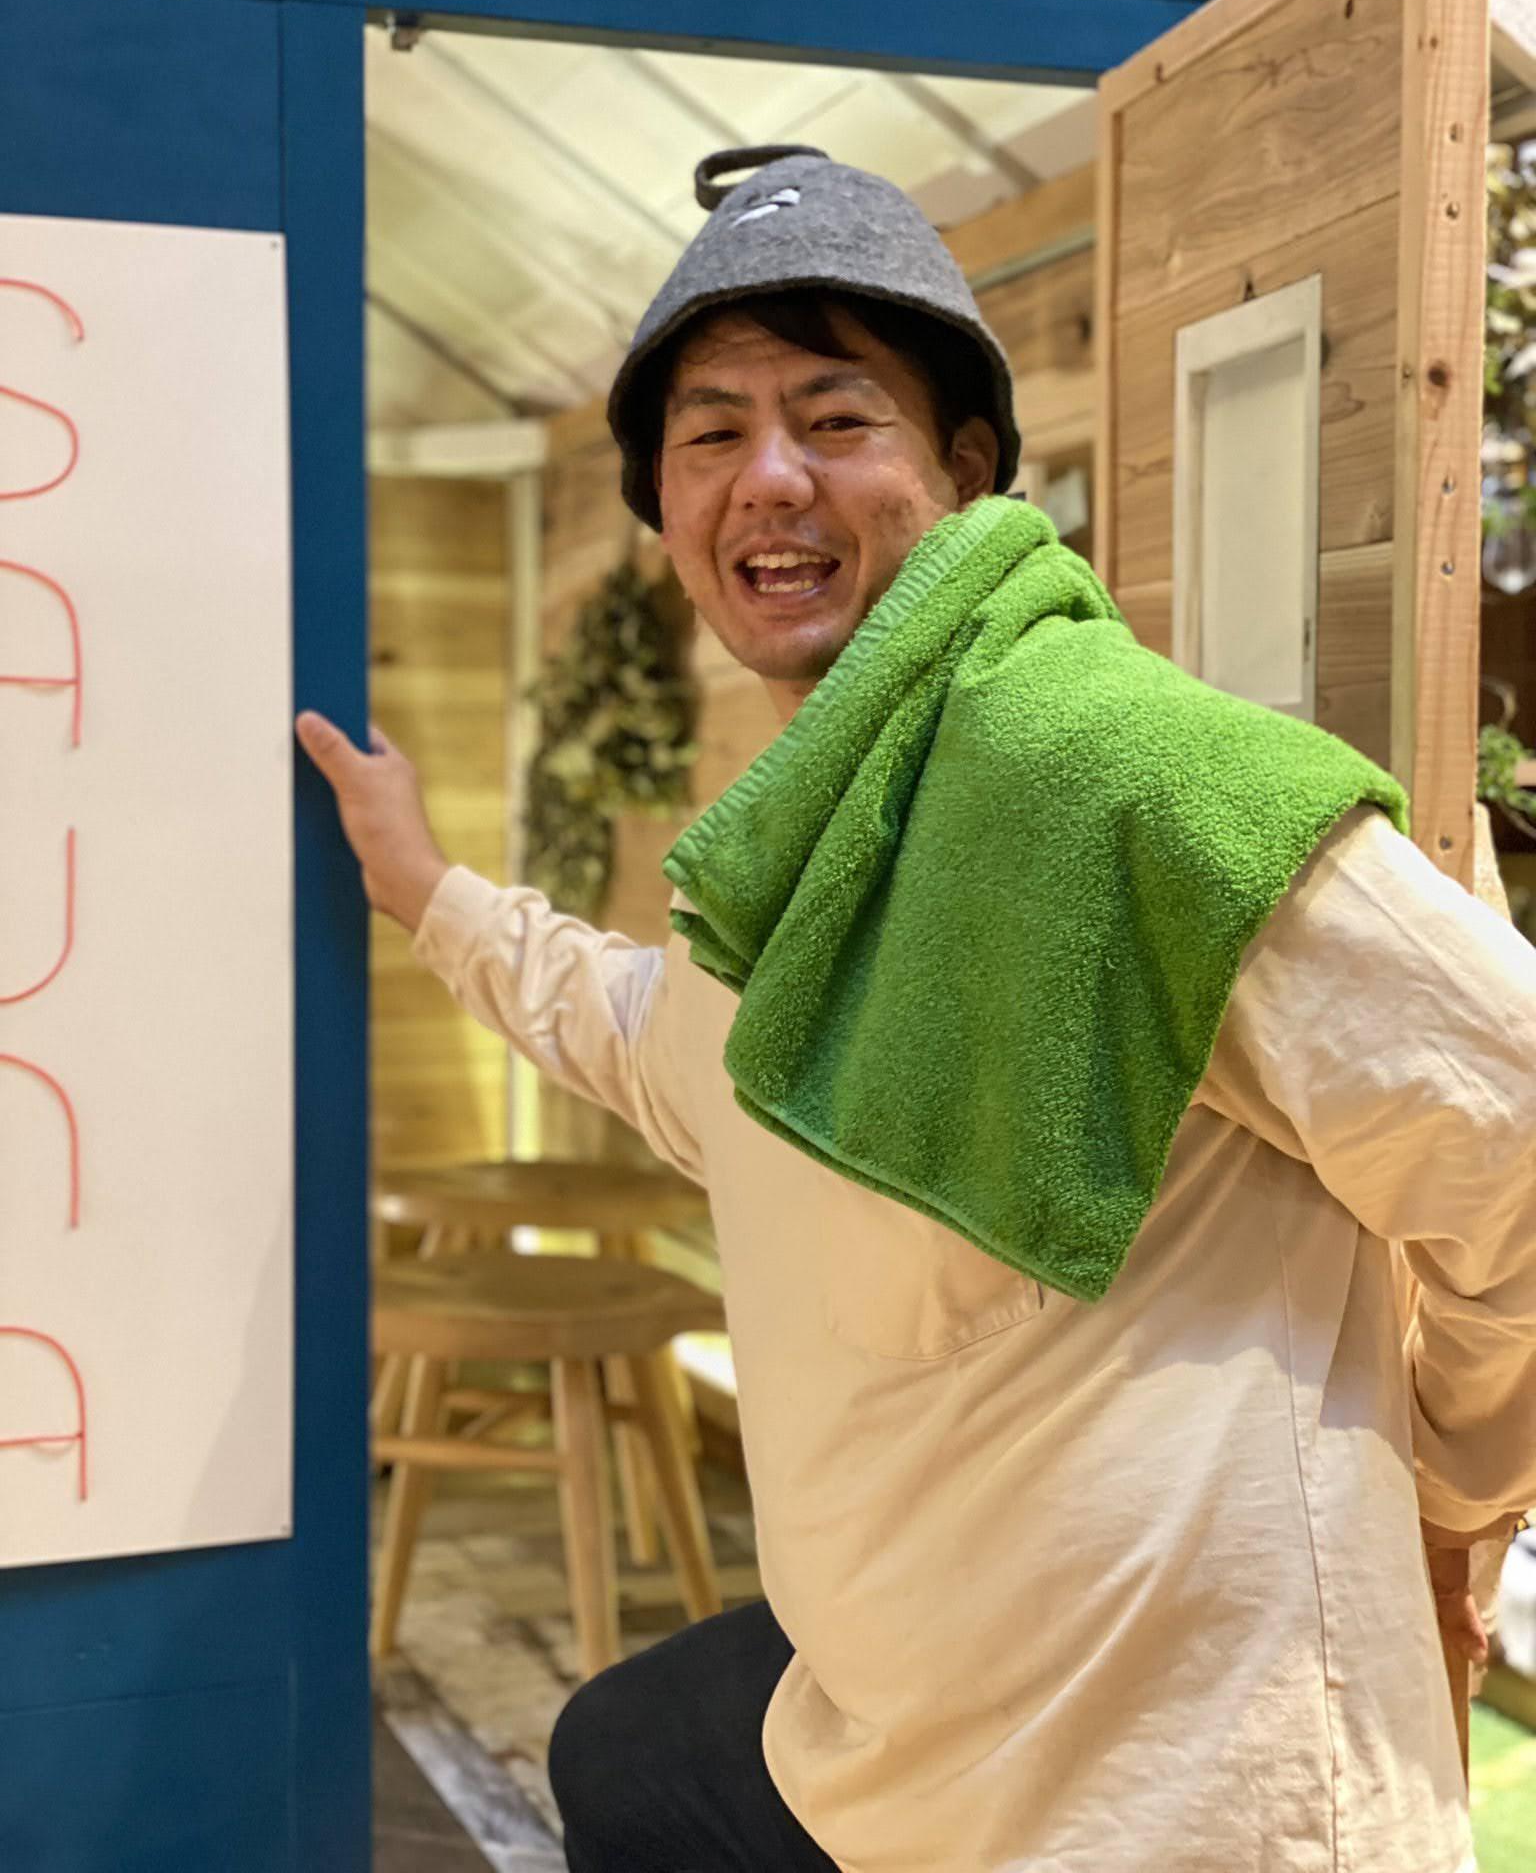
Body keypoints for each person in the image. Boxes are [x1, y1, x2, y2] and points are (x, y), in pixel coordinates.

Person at [298, 146, 1536, 1873]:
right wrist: (428, 889)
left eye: (837, 418)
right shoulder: (790, 871)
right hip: (891, 1755)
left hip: (1178, 1806)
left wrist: (1446, 1496)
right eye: (712, 435)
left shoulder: (1123, 775)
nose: (770, 479)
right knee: (627, 1753)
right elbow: (653, 1040)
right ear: (664, 509)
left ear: (963, 469)